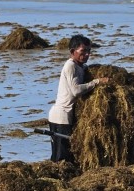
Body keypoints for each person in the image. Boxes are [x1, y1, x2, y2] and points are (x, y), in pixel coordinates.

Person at [47, 34, 110, 163]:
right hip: (61, 117)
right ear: (72, 52)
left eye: (89, 51)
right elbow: (76, 91)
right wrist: (97, 81)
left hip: (68, 116)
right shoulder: (70, 66)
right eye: (83, 51)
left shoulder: (80, 66)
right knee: (61, 158)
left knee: (69, 155)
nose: (87, 54)